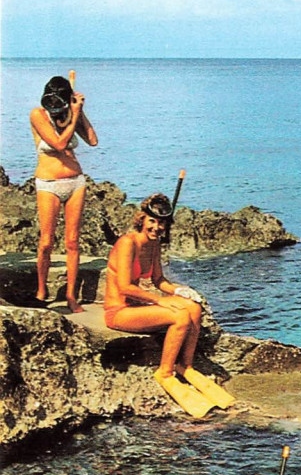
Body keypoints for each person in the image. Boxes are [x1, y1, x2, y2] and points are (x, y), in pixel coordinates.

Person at [104, 193, 233, 417]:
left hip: (136, 307)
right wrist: (160, 300)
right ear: (141, 220)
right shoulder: (127, 243)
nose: (157, 227)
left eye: (161, 223)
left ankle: (186, 366)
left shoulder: (154, 244)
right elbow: (124, 287)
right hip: (119, 311)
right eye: (152, 221)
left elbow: (158, 280)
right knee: (180, 316)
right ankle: (165, 373)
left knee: (193, 308)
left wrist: (179, 290)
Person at [30, 74, 98, 312]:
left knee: (72, 241)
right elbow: (58, 144)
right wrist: (74, 115)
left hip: (75, 182)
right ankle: (41, 291)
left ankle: (70, 295)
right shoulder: (38, 114)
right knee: (46, 242)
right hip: (48, 183)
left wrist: (79, 111)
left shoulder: (70, 115)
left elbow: (92, 140)